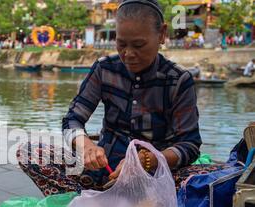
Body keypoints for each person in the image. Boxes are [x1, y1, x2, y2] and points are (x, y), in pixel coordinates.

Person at [17, 0, 204, 196]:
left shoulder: (178, 80)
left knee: (205, 181)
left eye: (139, 45)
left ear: (162, 34)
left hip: (152, 179)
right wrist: (86, 146)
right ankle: (96, 200)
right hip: (102, 172)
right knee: (30, 153)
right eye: (121, 44)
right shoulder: (104, 69)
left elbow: (189, 145)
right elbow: (73, 119)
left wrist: (147, 161)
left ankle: (98, 203)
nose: (128, 54)